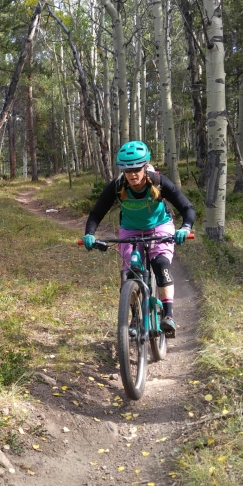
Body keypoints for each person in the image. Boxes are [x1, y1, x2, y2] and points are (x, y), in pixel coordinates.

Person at [82, 141, 196, 338]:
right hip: (130, 230)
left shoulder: (159, 181)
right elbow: (97, 212)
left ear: (145, 166)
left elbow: (187, 207)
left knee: (160, 264)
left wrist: (185, 228)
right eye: (127, 170)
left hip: (159, 226)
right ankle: (135, 317)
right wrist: (90, 233)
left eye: (136, 169)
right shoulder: (117, 186)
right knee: (131, 271)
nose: (132, 174)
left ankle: (168, 316)